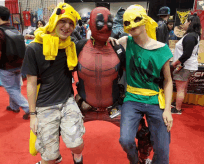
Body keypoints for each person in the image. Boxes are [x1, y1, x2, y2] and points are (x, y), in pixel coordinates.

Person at [75, 7, 152, 164]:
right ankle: (58, 156)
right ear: (90, 23)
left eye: (109, 23)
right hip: (84, 107)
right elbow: (63, 76)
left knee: (144, 133)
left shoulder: (118, 49)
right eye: (100, 22)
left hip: (114, 108)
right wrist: (76, 99)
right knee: (57, 128)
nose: (105, 27)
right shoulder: (78, 47)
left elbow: (134, 77)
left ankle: (142, 160)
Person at [21, 3, 85, 164]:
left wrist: (115, 39)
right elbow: (30, 83)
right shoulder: (34, 48)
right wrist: (33, 115)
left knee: (77, 144)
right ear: (54, 20)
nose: (67, 26)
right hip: (44, 105)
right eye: (63, 21)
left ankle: (77, 157)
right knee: (49, 156)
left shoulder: (71, 46)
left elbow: (96, 43)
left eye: (71, 23)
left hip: (67, 101)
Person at [110, 5, 173, 164]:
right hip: (132, 98)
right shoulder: (126, 41)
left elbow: (168, 80)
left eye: (136, 19)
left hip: (154, 99)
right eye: (127, 22)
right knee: (125, 140)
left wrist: (167, 110)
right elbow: (108, 47)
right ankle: (135, 161)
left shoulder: (162, 49)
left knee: (163, 149)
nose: (132, 24)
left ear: (144, 20)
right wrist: (108, 41)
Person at [0, 6, 30, 120]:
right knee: (16, 87)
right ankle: (14, 106)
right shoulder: (15, 30)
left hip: (6, 66)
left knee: (11, 89)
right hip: (19, 64)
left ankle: (28, 108)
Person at [171, 13, 201, 114]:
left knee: (180, 88)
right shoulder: (193, 35)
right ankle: (178, 104)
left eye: (185, 21)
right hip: (188, 65)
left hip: (185, 66)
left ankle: (177, 109)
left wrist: (176, 63)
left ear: (190, 23)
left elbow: (186, 54)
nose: (183, 24)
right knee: (183, 87)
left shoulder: (190, 36)